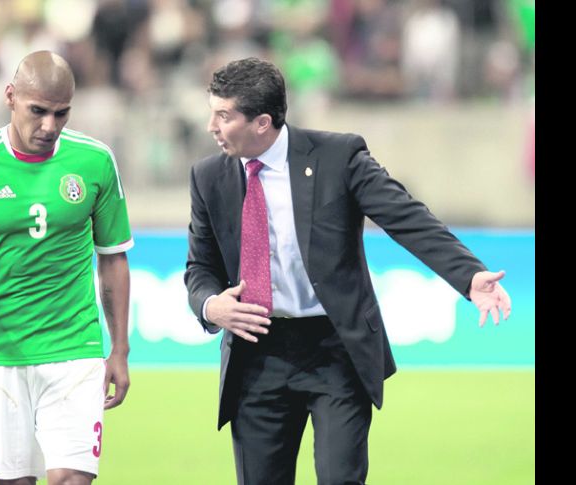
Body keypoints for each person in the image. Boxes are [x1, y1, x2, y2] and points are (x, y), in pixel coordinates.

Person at [184, 57, 511, 485]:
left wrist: (467, 275)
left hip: (335, 350)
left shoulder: (338, 157)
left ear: (262, 122)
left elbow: (405, 217)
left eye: (223, 115)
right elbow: (199, 269)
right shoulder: (208, 177)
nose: (211, 126)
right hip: (256, 353)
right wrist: (211, 307)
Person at [0, 50, 133, 485]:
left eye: (61, 113)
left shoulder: (95, 161)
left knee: (72, 479)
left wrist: (120, 348)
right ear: (10, 97)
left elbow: (113, 259)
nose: (50, 126)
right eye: (38, 111)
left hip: (75, 348)